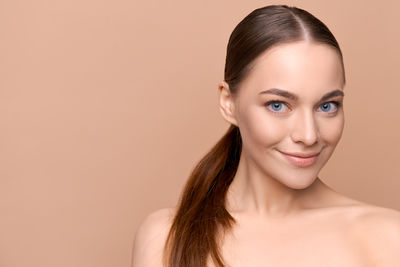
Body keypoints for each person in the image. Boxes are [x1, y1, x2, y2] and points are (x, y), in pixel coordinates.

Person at [132, 4, 400, 267]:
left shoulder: (389, 237)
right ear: (228, 103)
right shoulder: (166, 237)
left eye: (326, 106)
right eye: (278, 105)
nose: (308, 135)